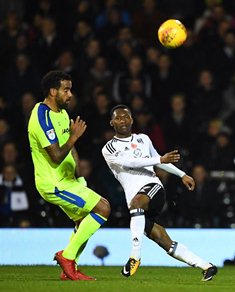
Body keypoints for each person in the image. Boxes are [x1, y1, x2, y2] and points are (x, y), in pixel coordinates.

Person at [102, 104, 217, 281]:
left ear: (132, 120)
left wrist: (182, 174)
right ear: (112, 122)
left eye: (126, 117)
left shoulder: (143, 139)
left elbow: (158, 160)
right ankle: (206, 266)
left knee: (137, 203)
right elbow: (130, 162)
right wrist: (159, 159)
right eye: (118, 117)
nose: (123, 120)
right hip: (135, 202)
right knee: (164, 241)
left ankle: (135, 256)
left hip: (152, 187)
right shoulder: (109, 148)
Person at [28, 70, 111, 281]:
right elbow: (56, 155)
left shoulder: (63, 114)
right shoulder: (41, 116)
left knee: (84, 219)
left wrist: (80, 177)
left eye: (70, 89)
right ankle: (67, 257)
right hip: (53, 183)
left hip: (68, 180)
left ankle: (68, 269)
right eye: (66, 90)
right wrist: (74, 137)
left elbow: (71, 149)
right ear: (52, 91)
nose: (70, 94)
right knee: (103, 208)